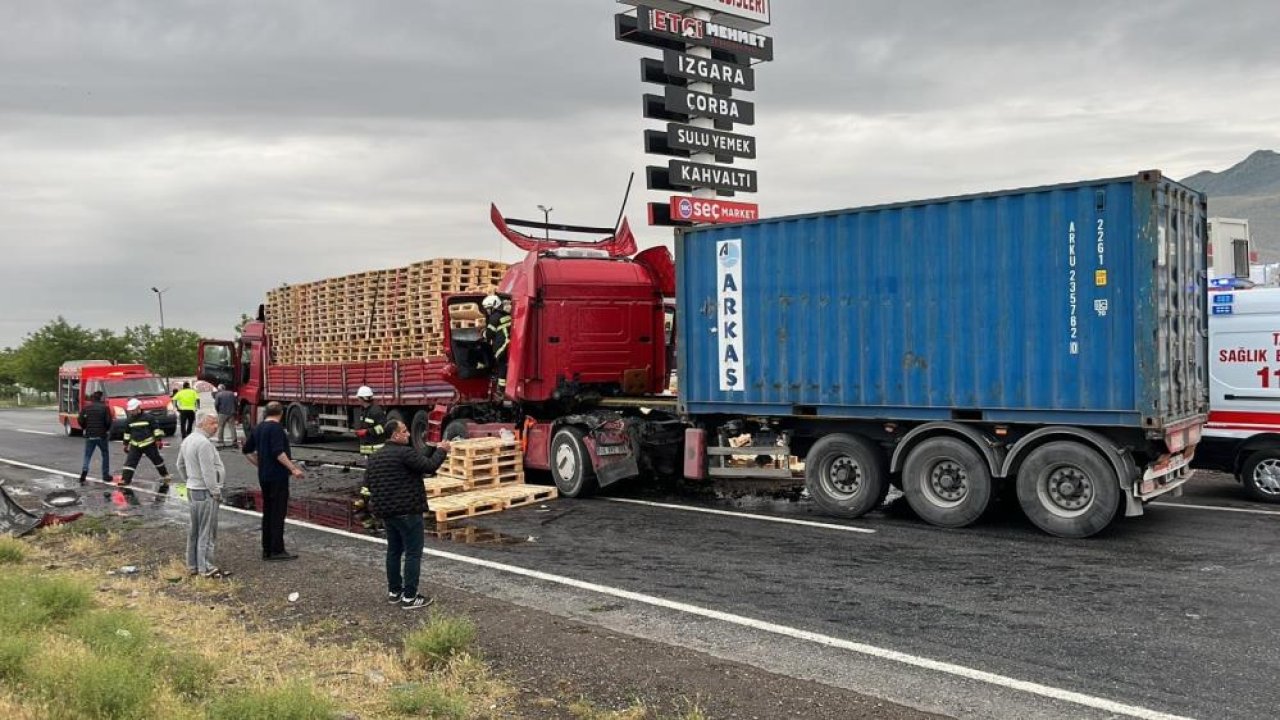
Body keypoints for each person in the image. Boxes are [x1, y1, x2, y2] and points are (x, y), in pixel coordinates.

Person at [365, 419, 450, 609]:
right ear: (395, 435)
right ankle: (410, 597)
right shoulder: (404, 453)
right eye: (404, 431)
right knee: (413, 553)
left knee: (394, 551)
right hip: (408, 511)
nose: (409, 434)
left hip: (387, 513)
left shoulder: (375, 457)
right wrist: (442, 450)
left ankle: (394, 591)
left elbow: (368, 484)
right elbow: (429, 467)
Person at [243, 402, 304, 561]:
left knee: (268, 512)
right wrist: (293, 469)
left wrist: (259, 464)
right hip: (278, 476)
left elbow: (246, 449)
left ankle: (267, 549)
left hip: (264, 476)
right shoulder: (276, 429)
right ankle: (277, 550)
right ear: (281, 413)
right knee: (278, 512)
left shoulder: (259, 428)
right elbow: (279, 452)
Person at [177, 411, 227, 578]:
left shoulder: (188, 440)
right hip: (204, 491)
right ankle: (205, 566)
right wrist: (215, 491)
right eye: (212, 423)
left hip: (193, 489)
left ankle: (192, 564)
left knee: (195, 530)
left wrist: (189, 480)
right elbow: (208, 472)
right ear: (201, 424)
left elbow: (180, 465)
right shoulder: (203, 443)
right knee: (207, 531)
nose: (216, 427)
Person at [120, 398, 173, 491]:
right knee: (130, 462)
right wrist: (125, 444)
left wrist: (158, 440)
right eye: (130, 410)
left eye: (133, 410)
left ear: (138, 408)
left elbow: (156, 429)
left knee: (157, 460)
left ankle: (165, 475)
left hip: (149, 443)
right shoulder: (129, 420)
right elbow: (127, 433)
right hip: (135, 445)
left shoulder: (149, 418)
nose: (131, 412)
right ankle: (125, 480)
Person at [77, 390, 113, 485]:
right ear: (101, 398)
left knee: (87, 455)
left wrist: (85, 427)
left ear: (92, 399)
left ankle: (84, 472)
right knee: (105, 454)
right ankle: (105, 475)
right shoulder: (105, 408)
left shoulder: (86, 408)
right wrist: (106, 430)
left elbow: (80, 420)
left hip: (90, 435)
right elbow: (109, 421)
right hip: (101, 435)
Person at [482, 294, 512, 398]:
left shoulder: (494, 317)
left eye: (488, 309)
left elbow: (489, 334)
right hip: (508, 343)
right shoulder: (504, 314)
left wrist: (482, 333)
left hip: (503, 345)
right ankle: (503, 388)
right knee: (503, 365)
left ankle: (502, 390)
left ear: (493, 306)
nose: (487, 311)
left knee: (501, 365)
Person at [355, 385, 387, 456]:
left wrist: (367, 431)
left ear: (362, 399)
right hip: (369, 452)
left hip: (377, 452)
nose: (358, 399)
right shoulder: (364, 410)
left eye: (358, 398)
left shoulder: (376, 410)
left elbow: (383, 427)